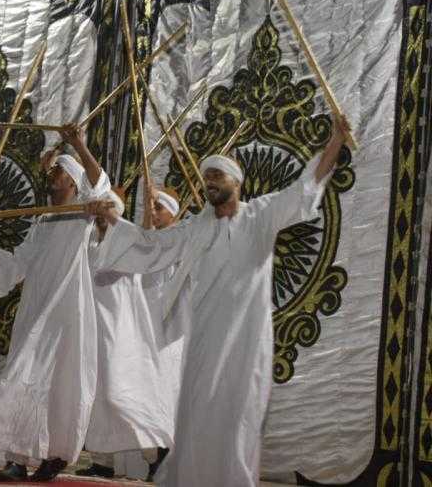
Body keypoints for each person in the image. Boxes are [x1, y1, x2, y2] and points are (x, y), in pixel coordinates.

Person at [86, 116, 350, 486]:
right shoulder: (196, 226)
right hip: (206, 336)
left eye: (216, 176)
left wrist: (336, 140)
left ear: (236, 183)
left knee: (239, 412)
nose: (209, 182)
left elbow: (305, 187)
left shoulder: (261, 216)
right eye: (206, 177)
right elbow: (153, 245)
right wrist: (113, 219)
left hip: (247, 338)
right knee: (197, 410)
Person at [0, 125, 111, 482]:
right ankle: (24, 456)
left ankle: (45, 456)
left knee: (56, 383)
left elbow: (101, 184)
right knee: (26, 377)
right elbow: (15, 266)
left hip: (66, 313)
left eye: (59, 171)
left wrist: (77, 144)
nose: (52, 175)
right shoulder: (42, 222)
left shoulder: (83, 214)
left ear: (74, 184)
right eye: (54, 170)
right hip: (36, 310)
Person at [76, 187, 173, 482]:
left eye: (107, 212)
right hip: (95, 332)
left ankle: (156, 451)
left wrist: (143, 215)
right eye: (99, 213)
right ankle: (104, 460)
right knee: (98, 398)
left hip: (124, 334)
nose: (101, 219)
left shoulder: (130, 247)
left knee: (121, 395)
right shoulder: (89, 248)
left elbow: (144, 240)